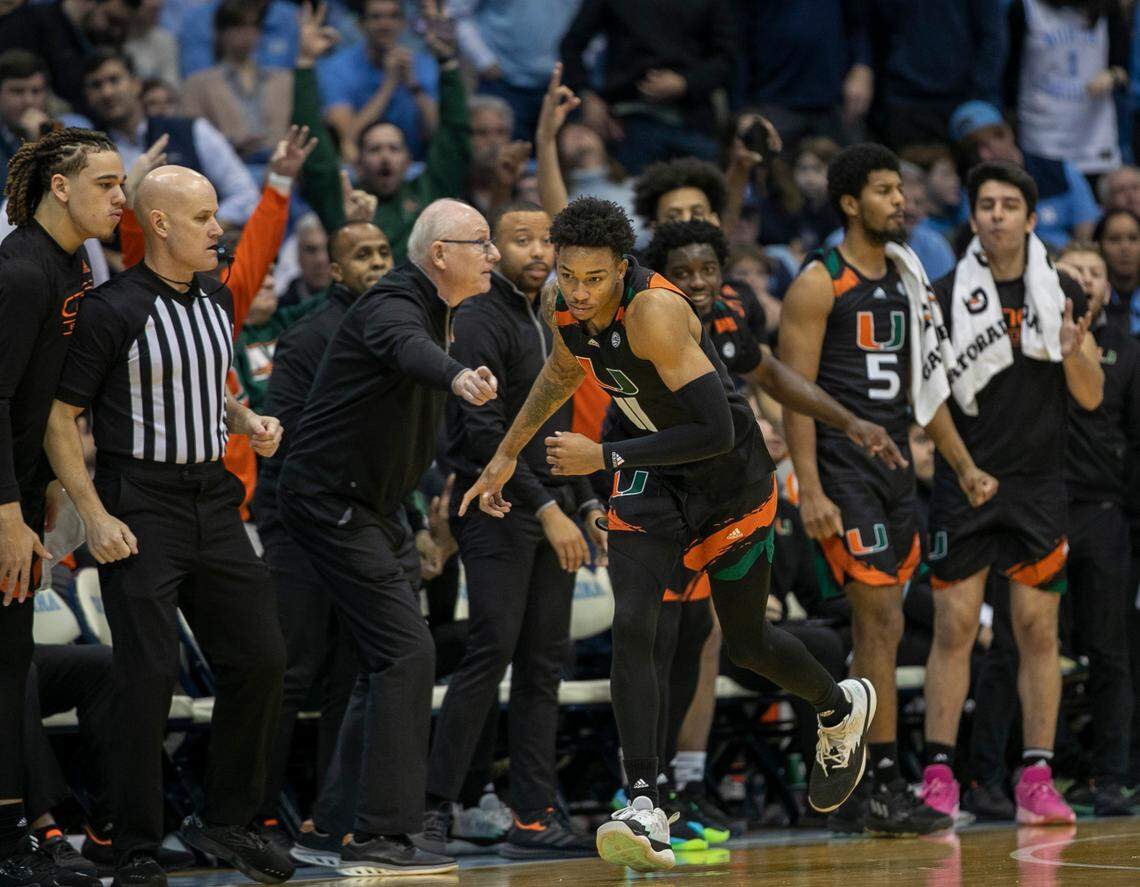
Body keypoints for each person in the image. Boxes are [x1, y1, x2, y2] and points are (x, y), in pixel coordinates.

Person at [461, 196, 876, 873]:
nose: (578, 289)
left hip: (728, 480)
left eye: (594, 278)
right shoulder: (564, 306)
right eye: (568, 275)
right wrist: (509, 450)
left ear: (623, 269)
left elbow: (716, 431)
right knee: (635, 623)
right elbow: (564, 368)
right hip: (653, 478)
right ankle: (646, 800)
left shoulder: (654, 312)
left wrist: (605, 457)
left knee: (749, 643)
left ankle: (838, 704)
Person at [42, 165, 292, 887]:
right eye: (205, 217)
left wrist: (248, 419)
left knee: (263, 658)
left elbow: (206, 383)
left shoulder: (214, 296)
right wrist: (94, 514)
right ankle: (135, 844)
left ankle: (229, 818)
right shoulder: (110, 309)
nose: (219, 230)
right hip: (139, 499)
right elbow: (61, 417)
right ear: (159, 225)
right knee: (146, 676)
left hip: (212, 495)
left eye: (217, 216)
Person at [640, 218, 906, 838]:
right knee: (658, 639)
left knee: (727, 639)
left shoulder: (730, 317)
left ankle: (679, 786)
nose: (699, 282)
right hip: (668, 499)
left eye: (708, 270)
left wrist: (848, 421)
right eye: (684, 273)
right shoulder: (642, 325)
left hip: (730, 499)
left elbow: (776, 376)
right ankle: (662, 792)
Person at [277, 199, 501, 876]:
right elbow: (411, 352)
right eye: (481, 243)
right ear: (441, 254)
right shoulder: (393, 303)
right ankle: (383, 836)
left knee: (385, 665)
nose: (491, 255)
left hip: (378, 509)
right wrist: (458, 376)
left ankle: (336, 824)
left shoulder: (442, 309)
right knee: (407, 652)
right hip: (328, 501)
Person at [779, 143, 995, 836]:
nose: (900, 200)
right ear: (850, 202)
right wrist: (809, 487)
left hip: (897, 465)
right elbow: (795, 395)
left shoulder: (908, 278)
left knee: (889, 623)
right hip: (843, 466)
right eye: (883, 190)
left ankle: (855, 776)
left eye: (901, 189)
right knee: (877, 619)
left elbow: (927, 392)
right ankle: (878, 781)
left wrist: (960, 464)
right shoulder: (819, 281)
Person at [920, 161, 1103, 825]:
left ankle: (1037, 774)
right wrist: (964, 466)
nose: (996, 214)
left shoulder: (1063, 290)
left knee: (1035, 629)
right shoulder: (941, 295)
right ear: (972, 218)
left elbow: (1089, 395)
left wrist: (1076, 347)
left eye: (1008, 204)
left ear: (1031, 218)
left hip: (1036, 485)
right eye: (986, 204)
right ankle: (939, 772)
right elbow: (928, 398)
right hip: (965, 479)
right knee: (957, 627)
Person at [422, 201, 600, 859]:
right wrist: (550, 508)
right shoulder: (476, 318)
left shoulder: (549, 317)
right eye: (519, 239)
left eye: (544, 240)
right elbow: (483, 435)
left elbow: (557, 427)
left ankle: (533, 812)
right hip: (496, 509)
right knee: (490, 652)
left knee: (542, 665)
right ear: (493, 249)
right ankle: (434, 807)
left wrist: (581, 503)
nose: (535, 250)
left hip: (547, 509)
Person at [0, 126, 123, 887]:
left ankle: (19, 831)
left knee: (12, 669)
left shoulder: (70, 265)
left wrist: (48, 484)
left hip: (16, 491)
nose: (120, 196)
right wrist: (6, 511)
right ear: (60, 187)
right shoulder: (17, 274)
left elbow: (44, 400)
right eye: (106, 184)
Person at [254, 222, 392, 858]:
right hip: (301, 527)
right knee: (291, 671)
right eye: (361, 254)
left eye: (384, 252)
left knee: (351, 673)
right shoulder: (307, 338)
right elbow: (284, 441)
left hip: (366, 522)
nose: (377, 263)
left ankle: (331, 815)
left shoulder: (395, 337)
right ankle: (253, 816)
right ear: (335, 271)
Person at [1055, 242, 1137, 815]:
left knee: (1111, 651)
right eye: (1075, 270)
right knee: (1032, 648)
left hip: (1106, 514)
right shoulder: (1034, 342)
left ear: (1108, 287)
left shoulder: (1128, 350)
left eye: (1095, 272)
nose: (1085, 279)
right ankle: (1042, 767)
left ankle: (1112, 774)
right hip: (1042, 510)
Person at [293, 1, 468, 264]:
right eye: (375, 150)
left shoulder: (427, 194)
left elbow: (453, 137)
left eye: (394, 149)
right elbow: (315, 148)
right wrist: (305, 62)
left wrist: (447, 61)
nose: (385, 157)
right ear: (359, 163)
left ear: (409, 161)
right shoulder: (342, 202)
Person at [82, 48, 259, 226]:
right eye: (96, 85)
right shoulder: (90, 153)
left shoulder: (192, 130)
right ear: (87, 96)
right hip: (129, 249)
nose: (107, 92)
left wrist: (203, 228)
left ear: (136, 84)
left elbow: (245, 193)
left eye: (114, 80)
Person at [558, 0, 734, 174]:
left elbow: (728, 59)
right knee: (628, 200)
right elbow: (571, 46)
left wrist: (685, 83)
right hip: (631, 120)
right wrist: (588, 96)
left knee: (703, 198)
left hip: (694, 119)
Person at [947, 100, 1099, 250]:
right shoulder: (973, 186)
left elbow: (1086, 230)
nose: (983, 156)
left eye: (987, 145)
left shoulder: (1059, 172)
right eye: (973, 150)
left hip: (1063, 262)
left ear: (1006, 135)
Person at [180, 0, 294, 170]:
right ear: (221, 33)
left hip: (280, 167)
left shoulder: (284, 81)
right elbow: (191, 139)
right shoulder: (198, 84)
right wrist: (231, 143)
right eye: (238, 26)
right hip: (228, 168)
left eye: (254, 26)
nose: (247, 33)